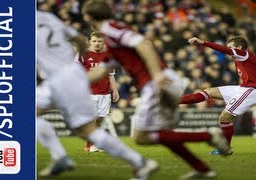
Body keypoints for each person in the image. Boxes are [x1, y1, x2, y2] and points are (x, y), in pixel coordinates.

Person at [81, 1, 232, 179]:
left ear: (88, 17)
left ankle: (208, 136)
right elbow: (100, 70)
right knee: (163, 134)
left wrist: (156, 75)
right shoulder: (110, 40)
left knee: (141, 137)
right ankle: (201, 168)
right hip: (159, 81)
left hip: (156, 82)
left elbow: (144, 44)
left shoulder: (111, 29)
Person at [37, 8, 159, 179]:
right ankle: (140, 163)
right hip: (69, 77)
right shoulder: (48, 17)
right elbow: (79, 38)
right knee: (88, 130)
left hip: (60, 78)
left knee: (88, 128)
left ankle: (60, 156)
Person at [181, 36, 256, 155]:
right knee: (209, 91)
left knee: (224, 118)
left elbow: (223, 50)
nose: (228, 50)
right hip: (244, 88)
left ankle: (225, 149)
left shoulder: (244, 54)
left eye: (231, 48)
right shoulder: (242, 58)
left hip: (253, 90)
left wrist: (202, 42)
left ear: (239, 48)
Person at [75, 31, 120, 152]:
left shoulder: (108, 56)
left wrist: (115, 90)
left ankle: (89, 145)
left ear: (103, 42)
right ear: (90, 42)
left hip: (105, 93)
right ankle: (93, 145)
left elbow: (111, 75)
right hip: (89, 92)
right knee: (93, 119)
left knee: (100, 119)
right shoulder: (83, 53)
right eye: (94, 41)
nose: (96, 43)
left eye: (99, 41)